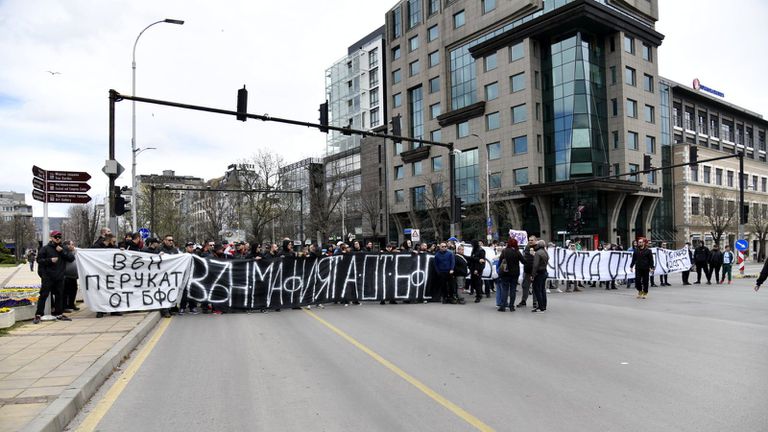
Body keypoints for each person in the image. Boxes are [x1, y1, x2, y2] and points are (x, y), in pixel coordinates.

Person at [34, 231, 75, 323]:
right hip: (48, 276)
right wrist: (50, 260)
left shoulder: (63, 248)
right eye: (56, 237)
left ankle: (58, 314)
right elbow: (39, 260)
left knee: (59, 295)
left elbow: (71, 258)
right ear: (52, 237)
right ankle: (38, 314)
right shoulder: (46, 248)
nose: (58, 239)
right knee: (43, 295)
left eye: (59, 237)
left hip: (59, 276)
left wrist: (62, 252)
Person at [497, 239, 524, 312]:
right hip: (515, 274)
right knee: (513, 290)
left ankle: (503, 306)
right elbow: (523, 261)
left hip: (505, 273)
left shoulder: (504, 251)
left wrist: (499, 270)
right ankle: (511, 306)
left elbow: (500, 262)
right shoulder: (517, 252)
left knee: (505, 289)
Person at [517, 236, 537, 308]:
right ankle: (523, 301)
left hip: (535, 271)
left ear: (535, 240)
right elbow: (524, 257)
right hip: (527, 270)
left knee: (535, 286)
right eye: (529, 240)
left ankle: (535, 302)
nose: (530, 241)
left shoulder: (538, 247)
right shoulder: (527, 247)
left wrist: (534, 254)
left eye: (532, 240)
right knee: (525, 286)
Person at [531, 240, 549, 313]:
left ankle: (540, 307)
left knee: (537, 290)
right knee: (542, 289)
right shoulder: (545, 252)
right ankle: (544, 306)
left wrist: (533, 275)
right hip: (544, 272)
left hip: (539, 273)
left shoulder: (538, 253)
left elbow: (535, 265)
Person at [62, 240, 79, 313]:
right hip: (66, 275)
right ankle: (65, 306)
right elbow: (70, 259)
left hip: (73, 276)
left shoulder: (74, 252)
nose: (73, 246)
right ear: (67, 245)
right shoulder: (65, 252)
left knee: (74, 290)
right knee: (66, 291)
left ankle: (71, 304)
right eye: (72, 244)